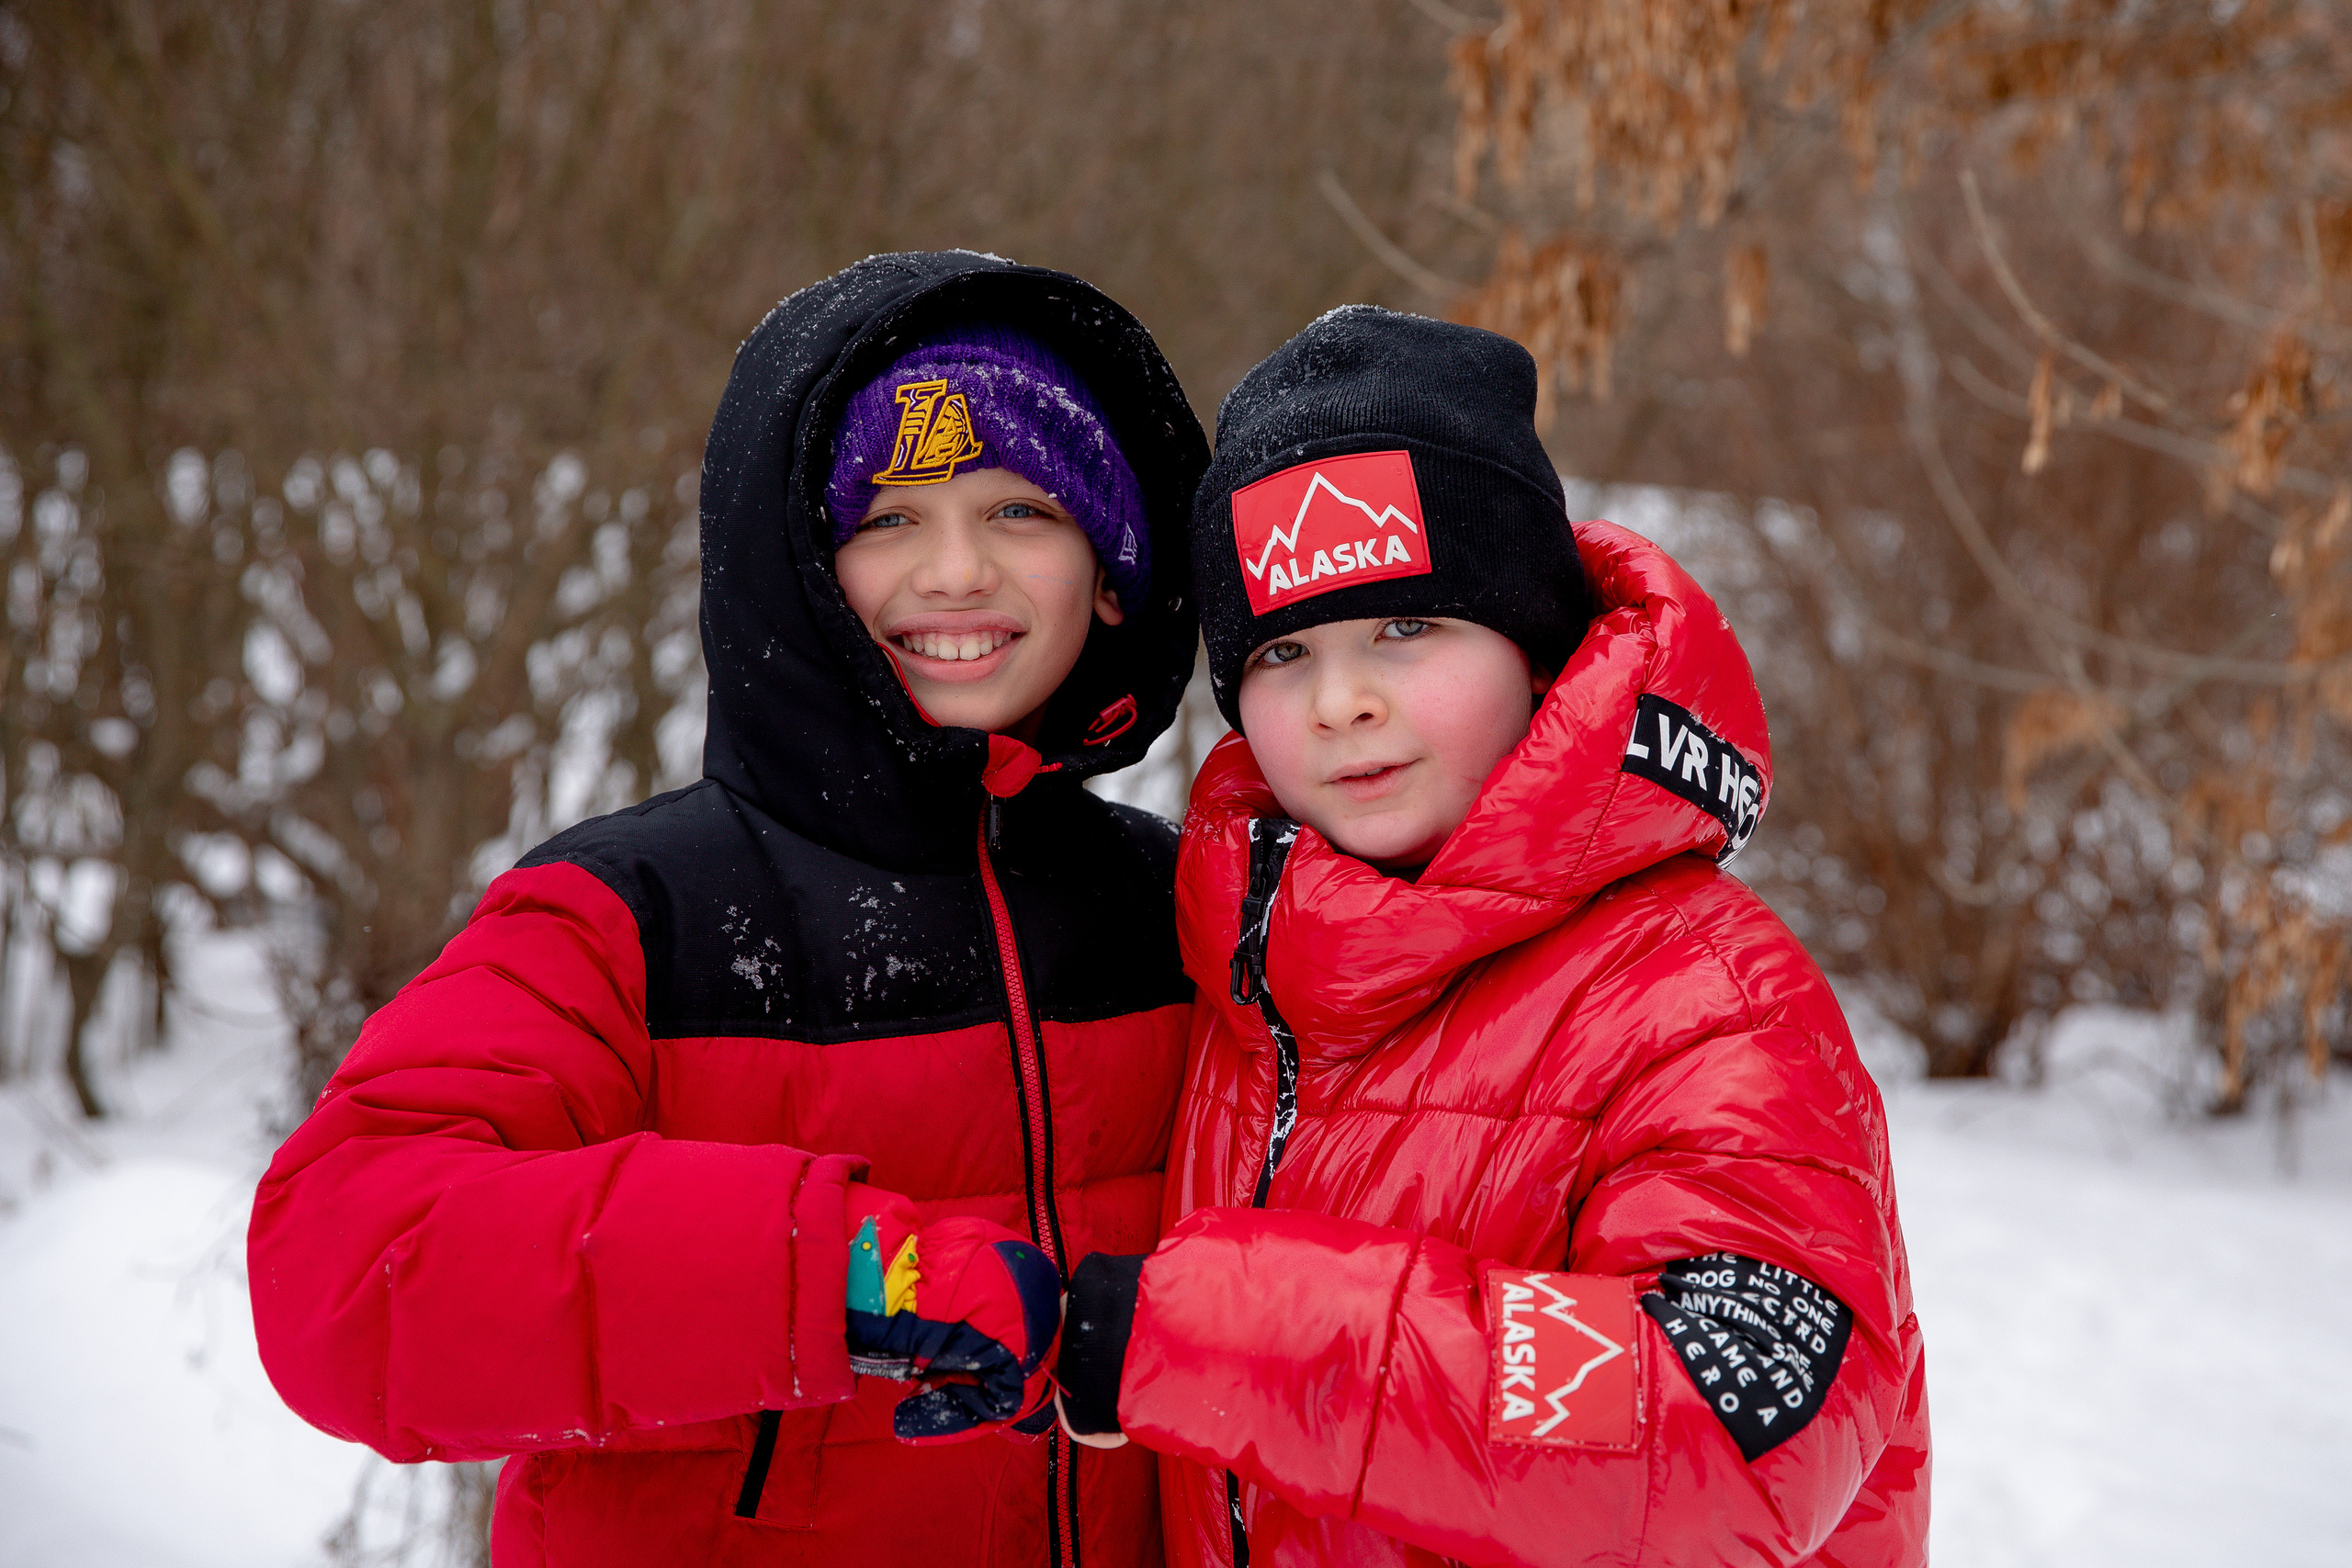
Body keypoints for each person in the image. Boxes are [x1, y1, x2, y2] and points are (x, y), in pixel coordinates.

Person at [249, 252, 1210, 1568]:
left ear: (1110, 573)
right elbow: (348, 1272)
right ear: (799, 567)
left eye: (1020, 511)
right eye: (887, 519)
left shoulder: (1182, 909)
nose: (955, 571)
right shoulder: (632, 914)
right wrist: (845, 1276)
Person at [1048, 308, 1929, 1567]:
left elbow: (1730, 1429)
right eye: (1285, 651)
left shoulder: (1705, 998)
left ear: (1536, 652)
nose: (1342, 700)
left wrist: (1226, 1339)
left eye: (1407, 629)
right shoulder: (1250, 973)